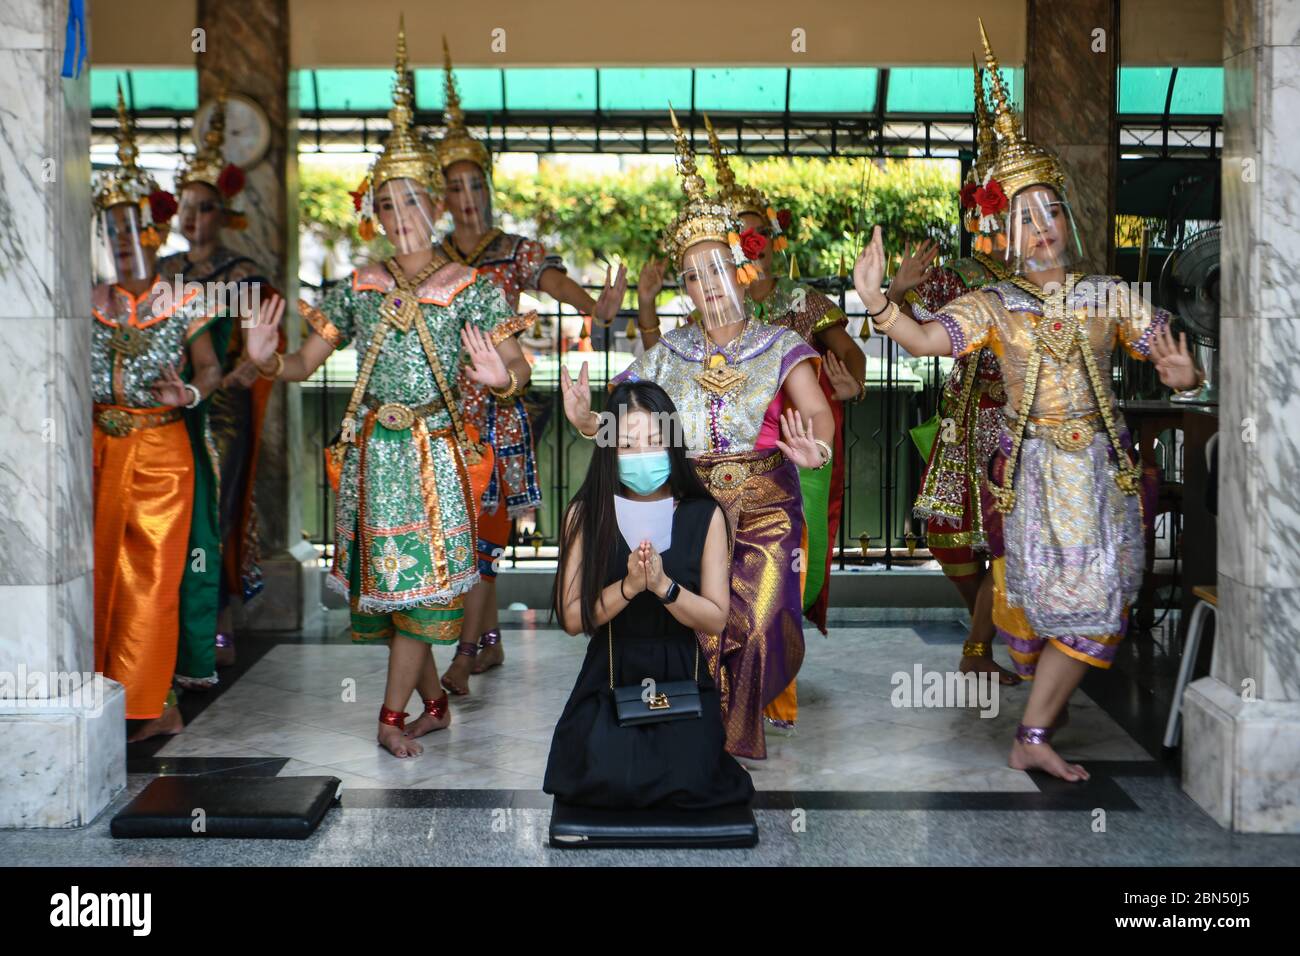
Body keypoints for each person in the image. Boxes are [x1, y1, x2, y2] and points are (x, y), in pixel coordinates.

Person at [853, 22, 1201, 782]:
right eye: (1023, 219)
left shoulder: (1109, 292)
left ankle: (1037, 725)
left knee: (1101, 602)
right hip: (1038, 474)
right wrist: (881, 304)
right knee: (1056, 606)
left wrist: (1183, 375)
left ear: (1065, 219)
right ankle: (1037, 726)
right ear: (1003, 235)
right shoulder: (994, 305)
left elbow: (1166, 348)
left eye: (1048, 212)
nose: (1041, 230)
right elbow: (924, 342)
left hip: (1104, 476)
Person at [243, 21, 530, 758]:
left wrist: (505, 380)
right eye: (387, 206)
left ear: (435, 204)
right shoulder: (360, 288)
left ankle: (391, 718)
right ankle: (433, 701)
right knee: (396, 592)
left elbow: (517, 369)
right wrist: (267, 358)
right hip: (374, 454)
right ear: (373, 212)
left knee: (427, 593)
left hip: (436, 454)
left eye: (411, 203)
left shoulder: (470, 288)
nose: (399, 220)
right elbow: (303, 365)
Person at [559, 108, 833, 761]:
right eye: (691, 275)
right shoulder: (664, 355)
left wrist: (812, 448)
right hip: (693, 509)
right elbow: (625, 419)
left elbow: (816, 413)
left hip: (766, 506)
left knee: (760, 626)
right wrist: (583, 421)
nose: (705, 285)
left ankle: (731, 732)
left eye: (715, 269)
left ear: (737, 268)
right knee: (696, 627)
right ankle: (710, 739)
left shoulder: (779, 345)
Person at [435, 38, 628, 696]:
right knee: (464, 542)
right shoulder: (429, 259)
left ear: (489, 188)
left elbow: (554, 280)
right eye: (454, 187)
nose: (467, 197)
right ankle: (483, 645)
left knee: (481, 543)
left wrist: (595, 306)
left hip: (499, 409)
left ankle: (465, 655)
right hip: (443, 414)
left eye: (475, 184)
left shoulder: (514, 250)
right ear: (441, 198)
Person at [545, 381, 754, 809]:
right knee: (605, 778)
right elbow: (572, 619)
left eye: (654, 442)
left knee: (687, 783)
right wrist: (629, 587)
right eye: (627, 443)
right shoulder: (586, 514)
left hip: (681, 675)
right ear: (609, 450)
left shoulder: (704, 514)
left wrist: (663, 587)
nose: (642, 455)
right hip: (608, 671)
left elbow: (716, 618)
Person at [91, 85, 226, 741]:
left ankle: (151, 706)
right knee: (94, 578)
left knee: (149, 581)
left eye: (129, 224)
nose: (120, 238)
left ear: (152, 225)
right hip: (95, 450)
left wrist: (190, 396)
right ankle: (95, 699)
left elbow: (210, 370)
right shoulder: (87, 299)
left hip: (161, 456)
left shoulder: (182, 300)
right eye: (109, 227)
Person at [884, 60, 1019, 687]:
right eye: (984, 206)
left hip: (1016, 425)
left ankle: (982, 645)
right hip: (964, 423)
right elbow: (907, 329)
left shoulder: (1038, 285)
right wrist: (897, 289)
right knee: (948, 534)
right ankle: (984, 633)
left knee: (1005, 539)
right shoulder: (958, 277)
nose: (988, 222)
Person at [159, 91, 280, 686]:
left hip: (223, 405)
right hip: (166, 404)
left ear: (223, 213)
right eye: (187, 206)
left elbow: (264, 340)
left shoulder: (242, 274)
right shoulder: (162, 275)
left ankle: (218, 616)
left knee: (217, 504)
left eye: (206, 208)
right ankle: (174, 622)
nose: (194, 217)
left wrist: (240, 373)